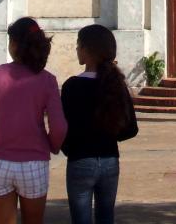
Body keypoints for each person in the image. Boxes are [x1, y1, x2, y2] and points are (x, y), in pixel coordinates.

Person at [0, 17, 67, 224]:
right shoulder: (47, 80)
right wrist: (52, 146)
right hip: (34, 163)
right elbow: (59, 127)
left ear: (14, 44)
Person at [61, 24, 138, 224]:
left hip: (80, 160)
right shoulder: (116, 84)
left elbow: (62, 127)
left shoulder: (72, 86)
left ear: (87, 50)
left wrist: (68, 148)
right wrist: (109, 135)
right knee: (106, 217)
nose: (76, 49)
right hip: (109, 159)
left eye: (78, 45)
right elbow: (131, 128)